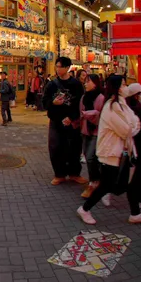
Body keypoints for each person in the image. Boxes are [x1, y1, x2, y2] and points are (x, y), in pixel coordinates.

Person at [76, 75, 141, 225]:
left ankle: (135, 213)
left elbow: (134, 123)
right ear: (117, 88)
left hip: (124, 151)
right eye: (123, 85)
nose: (126, 88)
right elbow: (127, 130)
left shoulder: (121, 103)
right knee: (107, 185)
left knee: (132, 183)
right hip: (111, 152)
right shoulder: (112, 106)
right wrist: (134, 126)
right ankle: (84, 209)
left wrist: (133, 126)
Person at [43, 57, 87, 186]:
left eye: (60, 66)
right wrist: (53, 102)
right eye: (56, 66)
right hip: (56, 121)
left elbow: (80, 103)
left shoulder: (76, 84)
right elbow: (44, 102)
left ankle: (74, 174)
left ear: (67, 68)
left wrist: (72, 117)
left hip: (72, 122)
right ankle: (59, 174)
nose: (57, 69)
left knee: (74, 147)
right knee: (55, 147)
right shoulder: (51, 84)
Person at [79, 74, 105, 199]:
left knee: (90, 157)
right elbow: (80, 113)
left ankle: (94, 182)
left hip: (96, 132)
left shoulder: (101, 98)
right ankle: (96, 180)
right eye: (85, 81)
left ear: (95, 83)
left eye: (88, 81)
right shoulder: (84, 97)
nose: (85, 84)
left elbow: (103, 116)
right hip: (85, 131)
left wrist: (90, 114)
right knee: (89, 156)